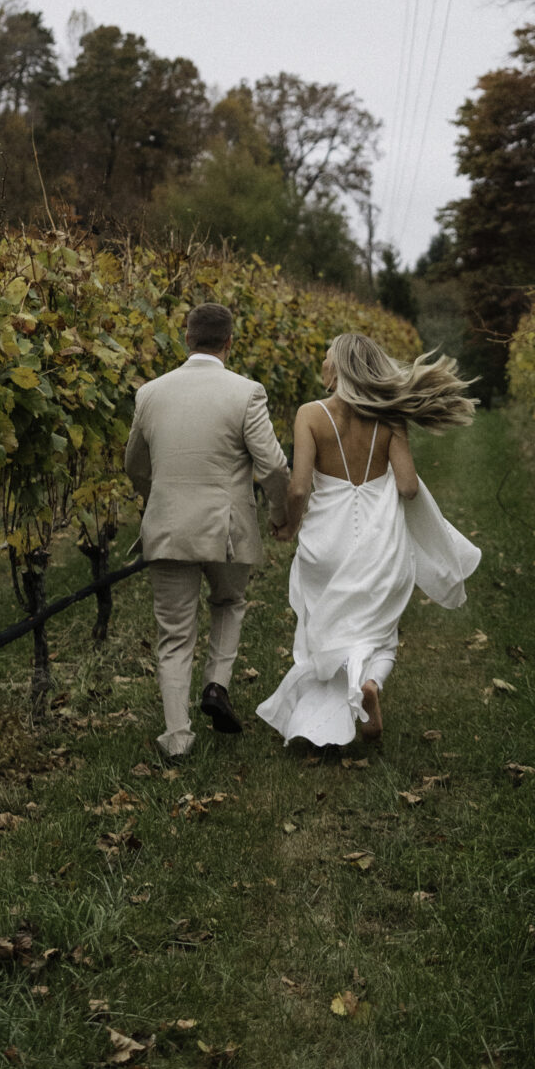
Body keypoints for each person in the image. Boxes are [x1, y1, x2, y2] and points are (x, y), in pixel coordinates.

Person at [255, 332, 479, 750]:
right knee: (379, 630)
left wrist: (287, 524)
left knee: (324, 623)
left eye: (326, 356)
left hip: (327, 540)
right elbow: (409, 488)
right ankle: (371, 681)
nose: (321, 363)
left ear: (338, 367)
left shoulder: (310, 414)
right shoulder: (391, 418)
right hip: (379, 539)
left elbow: (299, 488)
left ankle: (331, 704)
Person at [125, 302, 290, 761]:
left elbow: (134, 463)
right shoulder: (245, 392)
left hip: (168, 526)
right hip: (227, 529)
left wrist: (154, 497)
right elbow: (273, 464)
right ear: (229, 343)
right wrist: (279, 511)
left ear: (186, 338)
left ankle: (177, 736)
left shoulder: (150, 393)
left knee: (174, 633)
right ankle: (216, 685)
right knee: (229, 602)